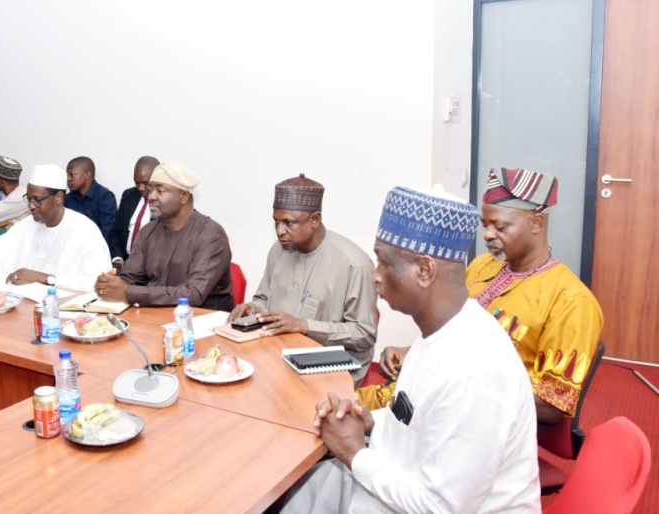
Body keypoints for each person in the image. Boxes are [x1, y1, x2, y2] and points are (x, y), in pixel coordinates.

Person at [277, 185, 539, 514]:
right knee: (296, 491)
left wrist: (355, 453)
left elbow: (439, 507)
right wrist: (371, 421)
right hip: (401, 481)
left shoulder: (473, 371)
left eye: (384, 262)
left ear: (424, 270)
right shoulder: (439, 334)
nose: (375, 276)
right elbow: (413, 420)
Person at [358, 168, 604, 424]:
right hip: (413, 394)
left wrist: (448, 378)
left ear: (536, 223)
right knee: (331, 410)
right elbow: (449, 335)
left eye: (500, 226)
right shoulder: (482, 266)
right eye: (485, 225)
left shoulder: (571, 301)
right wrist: (411, 352)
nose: (487, 235)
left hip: (463, 416)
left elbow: (552, 405)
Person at [229, 174, 378, 386]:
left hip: (329, 369)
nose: (280, 231)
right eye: (276, 221)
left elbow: (363, 334)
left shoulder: (354, 265)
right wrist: (254, 309)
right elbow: (264, 298)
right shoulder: (279, 250)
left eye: (289, 222)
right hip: (277, 355)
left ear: (315, 219)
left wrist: (305, 326)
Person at [94, 160, 234, 310]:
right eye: (150, 190)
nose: (151, 197)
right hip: (154, 318)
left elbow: (193, 294)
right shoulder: (148, 232)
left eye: (160, 191)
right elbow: (131, 278)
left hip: (204, 323)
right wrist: (110, 284)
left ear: (184, 196)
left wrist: (127, 292)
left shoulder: (210, 235)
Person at [0, 165, 111, 292]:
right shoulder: (27, 225)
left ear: (58, 198)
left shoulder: (85, 231)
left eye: (37, 200)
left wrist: (43, 278)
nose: (31, 206)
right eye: (28, 199)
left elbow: (97, 284)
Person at [107, 156, 159, 266]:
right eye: (137, 183)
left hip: (148, 266)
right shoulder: (129, 195)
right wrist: (117, 257)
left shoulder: (164, 202)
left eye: (146, 183)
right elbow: (115, 232)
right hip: (124, 263)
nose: (140, 188)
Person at [64, 156, 117, 238]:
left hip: (97, 248)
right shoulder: (68, 199)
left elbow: (107, 234)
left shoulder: (105, 197)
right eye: (67, 175)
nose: (68, 179)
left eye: (71, 174)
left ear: (87, 175)